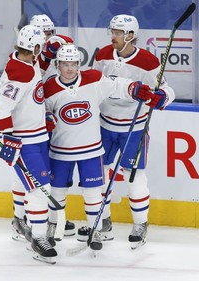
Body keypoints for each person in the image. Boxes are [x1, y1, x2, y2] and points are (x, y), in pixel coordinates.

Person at [43, 44, 158, 251]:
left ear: (79, 64)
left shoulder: (93, 79)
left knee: (94, 192)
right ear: (57, 65)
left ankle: (95, 228)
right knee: (57, 191)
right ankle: (54, 225)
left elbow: (115, 84)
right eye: (65, 64)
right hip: (61, 149)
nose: (70, 68)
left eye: (74, 64)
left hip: (91, 149)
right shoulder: (49, 87)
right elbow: (43, 108)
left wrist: (133, 89)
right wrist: (47, 117)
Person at [77, 14, 175, 250]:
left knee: (134, 177)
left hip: (135, 126)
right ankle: (104, 223)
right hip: (104, 124)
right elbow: (93, 83)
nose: (113, 37)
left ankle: (141, 224)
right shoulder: (101, 55)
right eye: (112, 32)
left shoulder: (148, 61)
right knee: (100, 175)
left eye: (118, 33)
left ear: (130, 35)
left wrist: (161, 97)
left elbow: (166, 89)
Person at [0, 25, 57, 264]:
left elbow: (30, 98)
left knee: (24, 182)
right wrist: (9, 136)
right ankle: (38, 238)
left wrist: (42, 117)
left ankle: (20, 222)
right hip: (25, 140)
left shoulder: (26, 63)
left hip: (36, 134)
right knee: (41, 189)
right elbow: (0, 107)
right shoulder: (22, 72)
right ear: (36, 48)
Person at [9, 14, 75, 242]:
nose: (47, 37)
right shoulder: (27, 63)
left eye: (49, 32)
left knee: (43, 176)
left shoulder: (54, 48)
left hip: (44, 120)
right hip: (28, 126)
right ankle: (22, 219)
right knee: (27, 178)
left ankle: (45, 219)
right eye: (42, 33)